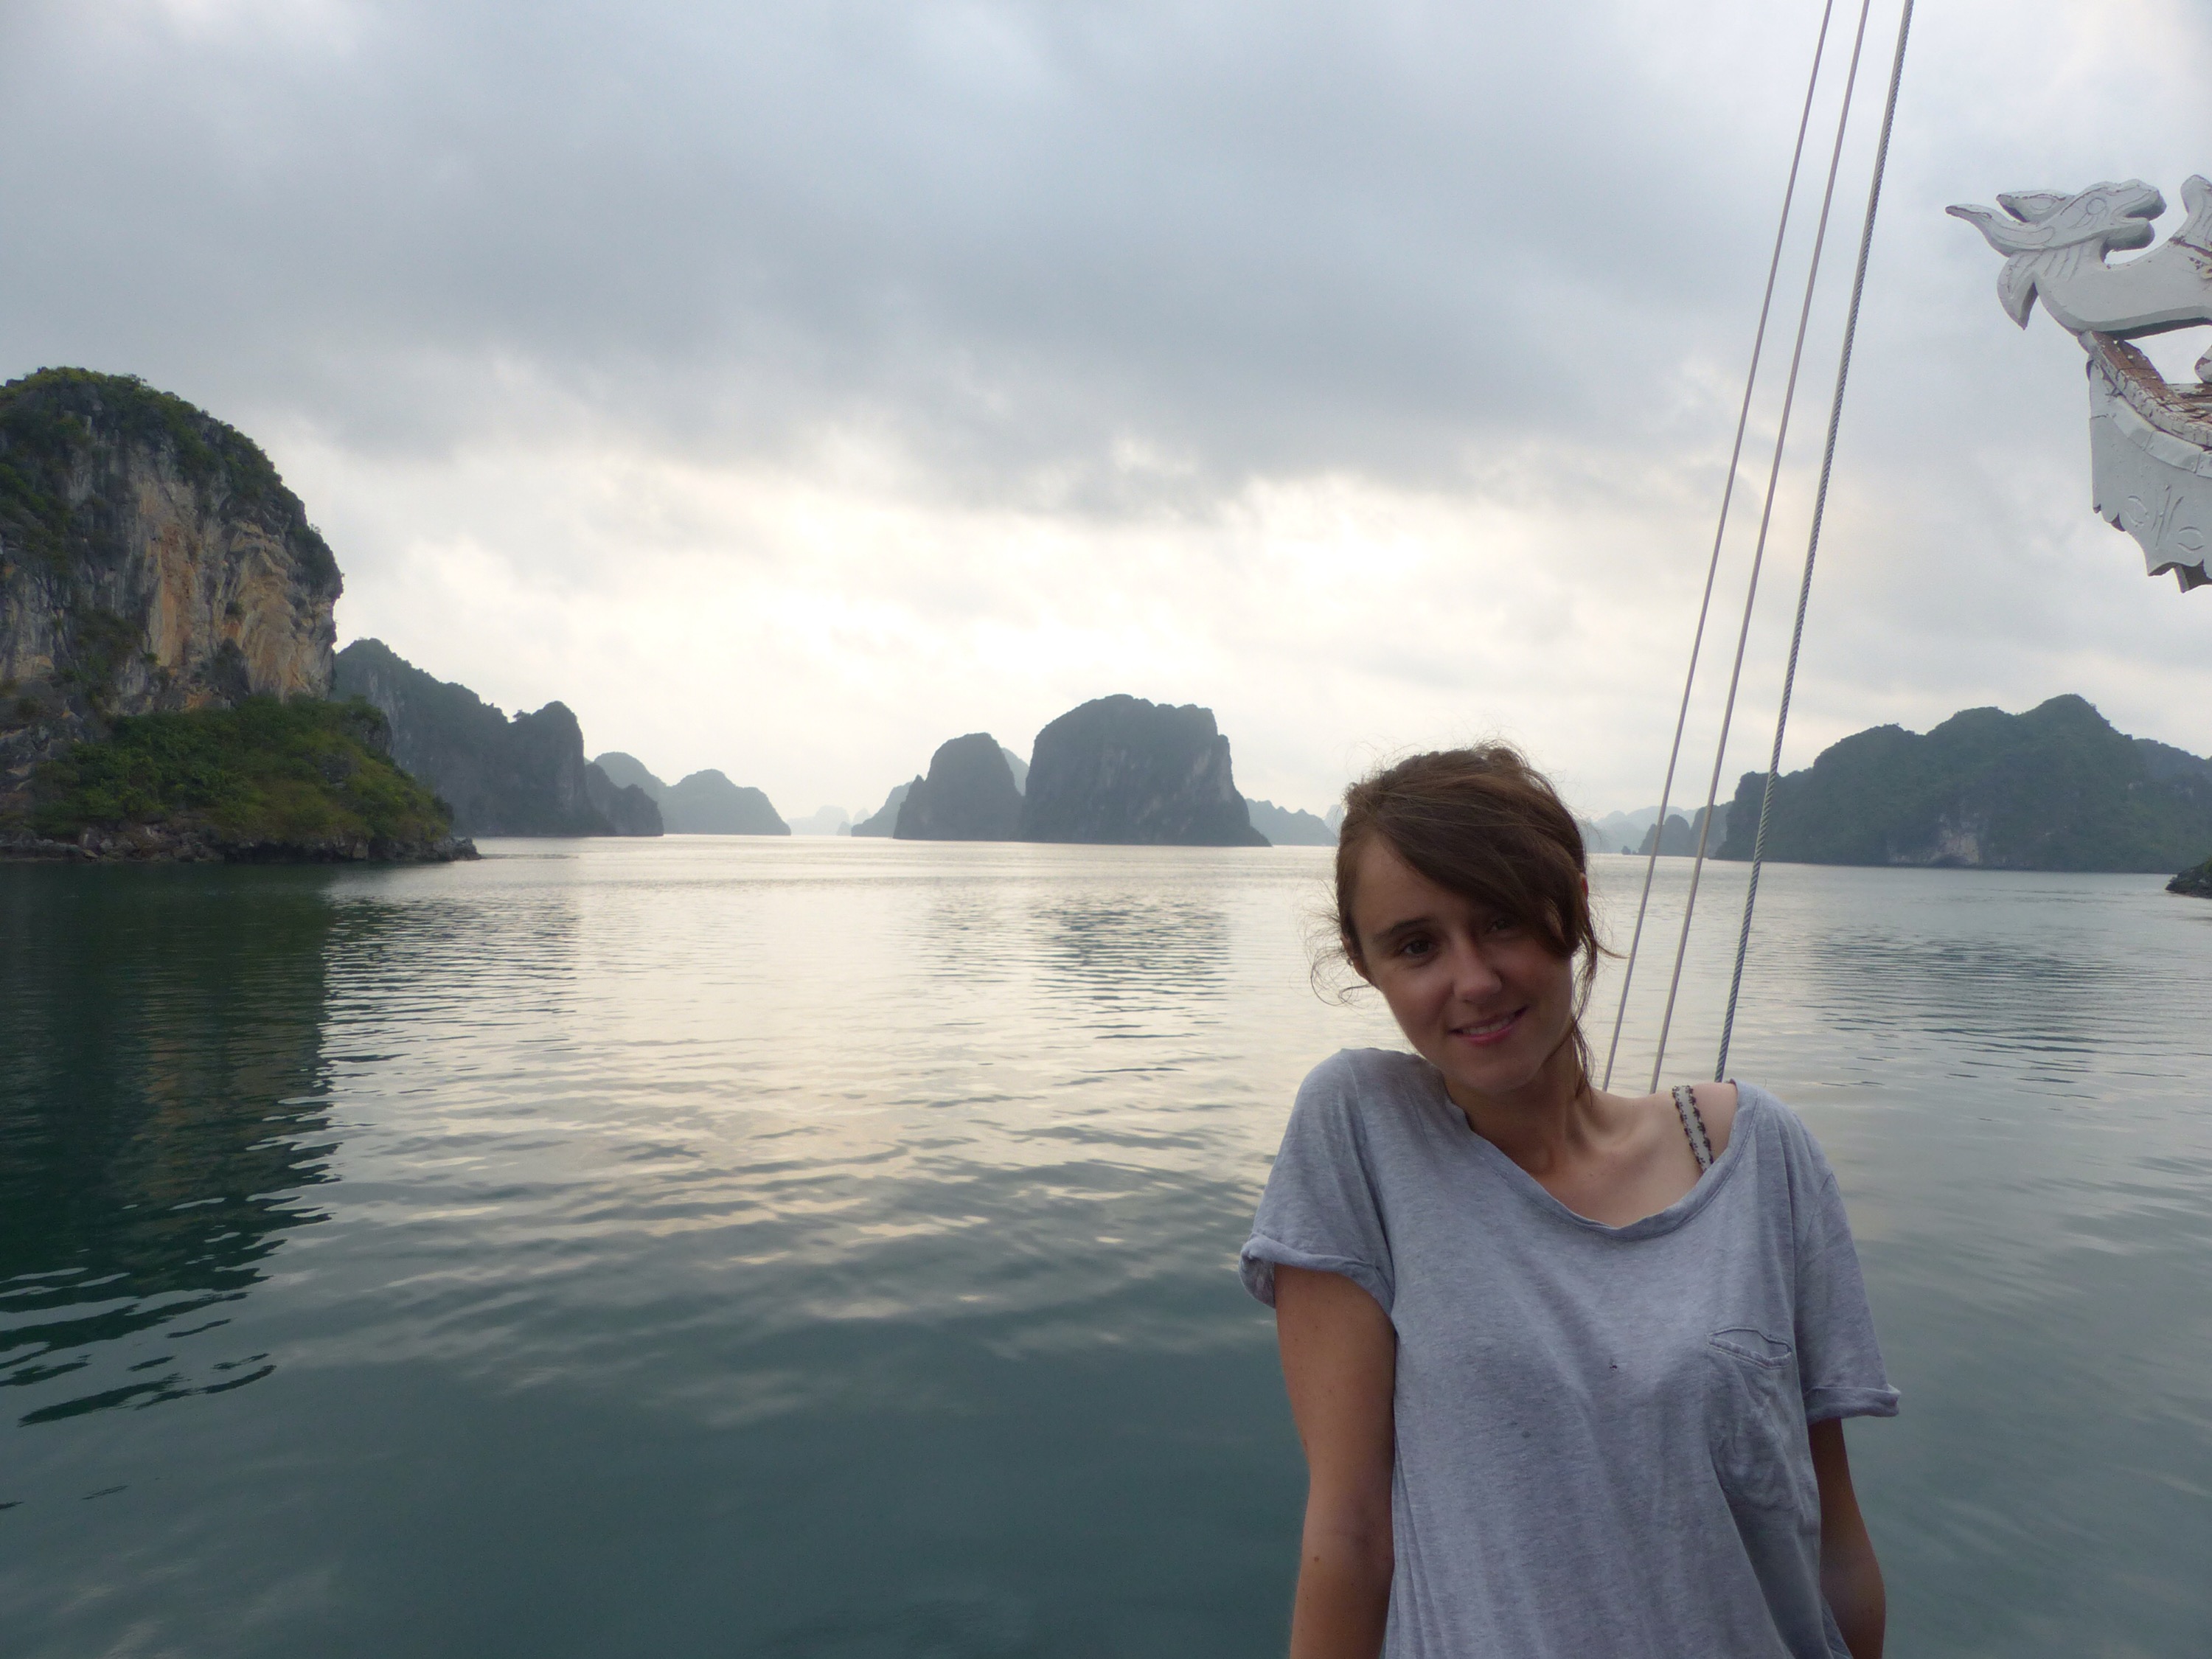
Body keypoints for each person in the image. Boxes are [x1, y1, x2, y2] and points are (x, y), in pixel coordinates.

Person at [1240, 746, 1896, 1659]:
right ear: (1367, 961)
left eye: (1502, 920)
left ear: (1573, 907)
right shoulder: (1361, 1134)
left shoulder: (1758, 1160)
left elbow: (1832, 1537)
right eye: (1418, 945)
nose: (1474, 980)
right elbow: (1348, 1536)